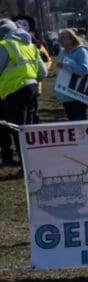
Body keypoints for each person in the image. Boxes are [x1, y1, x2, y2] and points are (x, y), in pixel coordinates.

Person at [0, 17, 48, 171]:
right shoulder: (30, 45)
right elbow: (43, 73)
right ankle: (35, 161)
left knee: (17, 130)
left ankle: (26, 166)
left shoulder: (4, 45)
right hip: (32, 89)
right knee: (29, 128)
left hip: (14, 92)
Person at [54, 27, 88, 122]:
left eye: (63, 37)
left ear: (72, 39)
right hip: (65, 95)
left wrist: (66, 65)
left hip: (78, 95)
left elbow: (84, 69)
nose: (60, 39)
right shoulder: (62, 52)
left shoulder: (81, 51)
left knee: (80, 123)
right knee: (72, 124)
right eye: (60, 37)